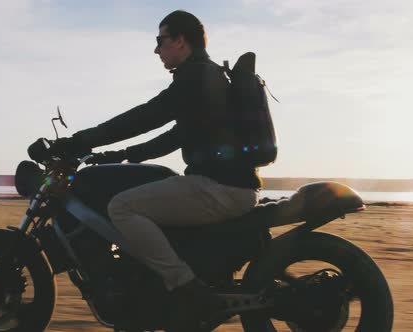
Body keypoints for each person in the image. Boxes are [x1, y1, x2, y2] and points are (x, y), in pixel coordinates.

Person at [50, 10, 261, 330]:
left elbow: (148, 115)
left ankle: (185, 287)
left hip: (219, 188)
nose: (156, 49)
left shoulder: (197, 76)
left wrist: (80, 141)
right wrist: (122, 154)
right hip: (224, 185)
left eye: (160, 41)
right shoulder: (206, 77)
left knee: (121, 206)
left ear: (179, 40)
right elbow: (175, 136)